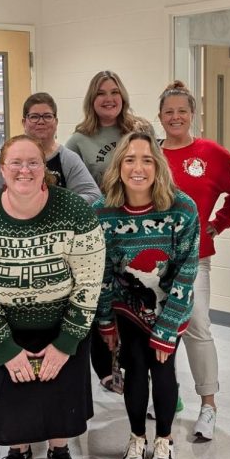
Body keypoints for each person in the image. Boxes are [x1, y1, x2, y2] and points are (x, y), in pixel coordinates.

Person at [0, 135, 106, 459]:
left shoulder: (75, 212)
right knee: (11, 396)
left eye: (33, 163)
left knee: (60, 392)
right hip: (1, 323)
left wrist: (66, 342)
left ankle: (58, 449)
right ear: (3, 170)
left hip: (63, 320)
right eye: (16, 164)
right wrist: (4, 348)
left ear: (45, 170)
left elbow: (88, 283)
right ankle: (18, 452)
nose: (25, 170)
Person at [94, 130, 199, 459]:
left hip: (170, 306)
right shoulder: (102, 212)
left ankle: (165, 440)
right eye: (129, 159)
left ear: (158, 166)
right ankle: (137, 437)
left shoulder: (182, 209)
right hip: (127, 305)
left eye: (146, 159)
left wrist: (167, 330)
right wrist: (106, 321)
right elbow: (103, 272)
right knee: (135, 366)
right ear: (118, 166)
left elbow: (186, 270)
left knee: (163, 367)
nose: (138, 167)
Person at [63, 70, 154, 396]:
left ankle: (136, 366)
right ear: (92, 99)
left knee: (135, 298)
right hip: (99, 232)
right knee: (100, 300)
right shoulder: (78, 140)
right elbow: (76, 190)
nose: (109, 98)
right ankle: (106, 370)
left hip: (139, 231)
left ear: (123, 96)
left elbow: (157, 172)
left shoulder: (139, 130)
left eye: (114, 91)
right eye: (101, 92)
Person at [157, 81, 230, 443]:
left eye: (182, 111)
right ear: (160, 117)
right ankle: (167, 396)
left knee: (196, 327)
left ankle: (208, 404)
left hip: (195, 259)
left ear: (192, 115)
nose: (175, 117)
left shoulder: (211, 154)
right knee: (156, 329)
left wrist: (217, 225)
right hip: (151, 260)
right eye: (169, 111)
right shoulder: (150, 154)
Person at [0, 92, 101, 204]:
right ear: (24, 123)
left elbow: (94, 196)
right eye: (34, 117)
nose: (41, 121)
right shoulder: (10, 158)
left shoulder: (68, 159)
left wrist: (52, 203)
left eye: (47, 116)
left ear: (56, 122)